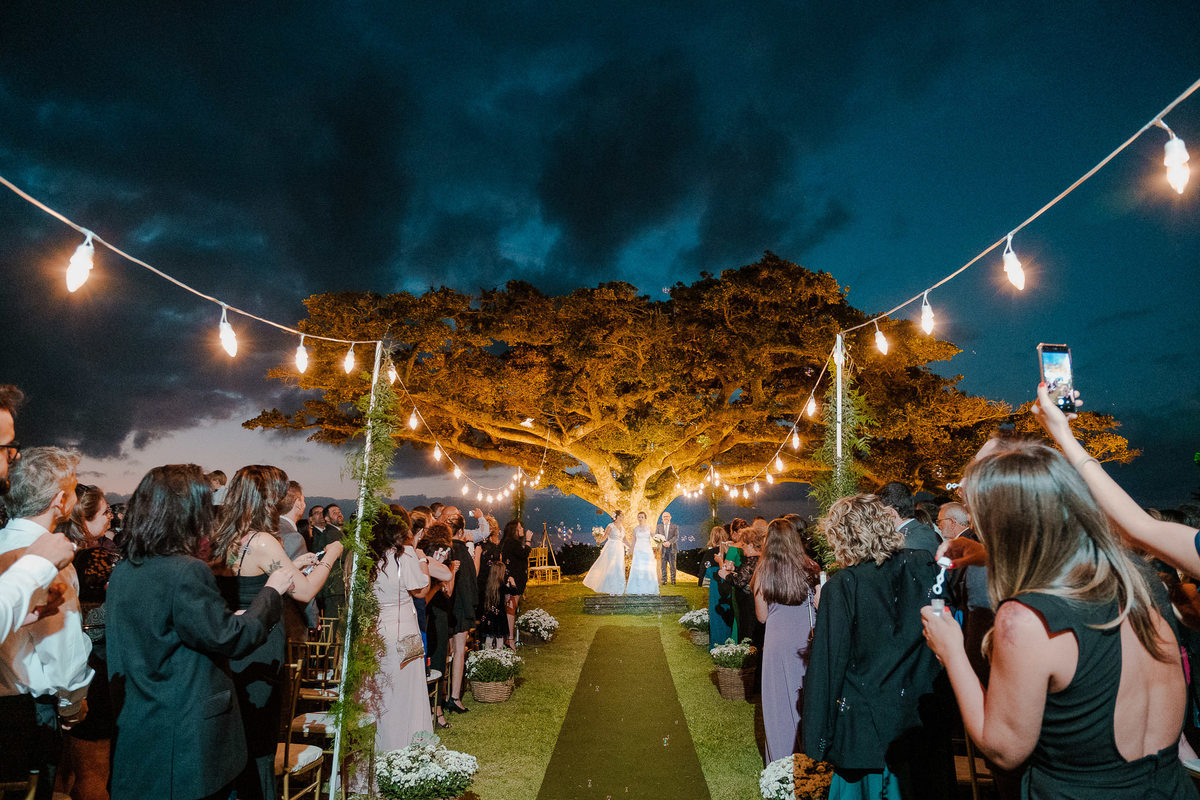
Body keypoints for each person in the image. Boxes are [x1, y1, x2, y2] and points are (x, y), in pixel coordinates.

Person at [921, 393, 1196, 799]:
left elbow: (1003, 750)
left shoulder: (1026, 619)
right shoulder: (1138, 578)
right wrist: (986, 554)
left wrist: (951, 651)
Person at [106, 464, 291, 800]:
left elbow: (167, 629)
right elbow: (233, 639)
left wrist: (223, 618)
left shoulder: (126, 568)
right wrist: (273, 591)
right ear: (188, 513)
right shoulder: (186, 570)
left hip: (141, 728)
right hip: (188, 742)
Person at [208, 465, 344, 800]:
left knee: (233, 740)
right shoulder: (263, 540)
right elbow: (305, 592)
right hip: (260, 647)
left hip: (229, 646)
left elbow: (249, 581)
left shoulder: (222, 534)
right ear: (268, 498)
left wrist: (291, 566)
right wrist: (332, 557)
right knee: (261, 742)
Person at [804, 494, 952, 798]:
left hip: (865, 728)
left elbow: (828, 666)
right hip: (919, 719)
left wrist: (816, 738)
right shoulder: (926, 569)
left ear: (843, 537)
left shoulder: (844, 586)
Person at [0, 447, 94, 800]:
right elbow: (63, 652)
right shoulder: (49, 556)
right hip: (29, 713)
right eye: (71, 489)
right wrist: (73, 704)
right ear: (60, 500)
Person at [362, 511, 440, 759]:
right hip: (404, 630)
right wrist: (422, 561)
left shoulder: (368, 556)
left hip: (376, 630)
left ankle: (380, 754)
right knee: (408, 692)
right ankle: (407, 752)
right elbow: (421, 591)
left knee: (380, 692)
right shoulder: (404, 554)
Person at [57, 483, 118, 800]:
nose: (111, 517)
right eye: (106, 511)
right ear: (83, 519)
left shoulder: (68, 554)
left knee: (68, 767)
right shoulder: (93, 558)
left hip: (76, 666)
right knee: (93, 771)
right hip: (93, 664)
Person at [752, 517, 819, 763]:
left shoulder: (762, 571)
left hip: (777, 642)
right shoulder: (811, 567)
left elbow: (761, 616)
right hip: (805, 640)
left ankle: (780, 762)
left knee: (777, 701)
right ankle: (807, 758)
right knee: (804, 697)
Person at [417, 522, 454, 729]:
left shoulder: (422, 551)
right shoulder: (443, 553)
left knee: (429, 662)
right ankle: (436, 710)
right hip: (433, 608)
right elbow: (448, 587)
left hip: (426, 609)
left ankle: (431, 708)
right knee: (437, 659)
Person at [876, 481, 941, 556]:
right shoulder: (924, 530)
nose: (878, 516)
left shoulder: (905, 544)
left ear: (891, 512)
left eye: (880, 511)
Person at [500, 520, 532, 648]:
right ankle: (510, 639)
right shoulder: (511, 543)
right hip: (513, 582)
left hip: (516, 581)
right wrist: (528, 540)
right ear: (514, 530)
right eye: (520, 527)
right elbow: (524, 553)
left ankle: (508, 637)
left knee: (511, 608)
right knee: (510, 609)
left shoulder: (510, 543)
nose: (523, 529)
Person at [313, 503, 346, 625]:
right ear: (326, 519)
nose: (339, 514)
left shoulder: (338, 533)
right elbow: (344, 554)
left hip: (336, 589)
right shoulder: (331, 534)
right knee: (331, 627)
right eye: (334, 512)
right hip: (334, 587)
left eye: (339, 511)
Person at [583, 510, 628, 595]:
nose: (623, 517)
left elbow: (624, 539)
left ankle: (619, 589)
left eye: (623, 516)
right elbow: (605, 537)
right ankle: (611, 589)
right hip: (611, 548)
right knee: (612, 568)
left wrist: (631, 546)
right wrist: (598, 540)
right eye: (621, 515)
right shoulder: (610, 526)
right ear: (616, 517)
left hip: (620, 549)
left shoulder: (622, 527)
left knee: (619, 568)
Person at [704, 526, 733, 649]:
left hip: (716, 589)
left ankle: (716, 644)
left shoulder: (710, 553)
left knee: (716, 616)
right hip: (730, 587)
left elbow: (706, 572)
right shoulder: (730, 551)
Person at [625, 511, 659, 596]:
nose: (640, 519)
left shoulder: (649, 528)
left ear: (645, 518)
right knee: (638, 569)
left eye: (642, 517)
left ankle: (649, 589)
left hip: (647, 550)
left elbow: (654, 537)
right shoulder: (635, 529)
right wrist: (631, 551)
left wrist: (661, 541)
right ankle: (637, 589)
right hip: (638, 551)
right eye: (639, 517)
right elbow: (633, 542)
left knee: (647, 569)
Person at [657, 511, 679, 585]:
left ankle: (673, 580)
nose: (665, 518)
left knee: (672, 565)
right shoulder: (659, 526)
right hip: (662, 549)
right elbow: (656, 537)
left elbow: (676, 537)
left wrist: (669, 542)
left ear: (670, 517)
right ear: (662, 518)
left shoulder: (675, 526)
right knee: (663, 565)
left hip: (672, 548)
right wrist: (663, 542)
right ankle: (664, 580)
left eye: (667, 516)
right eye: (664, 516)